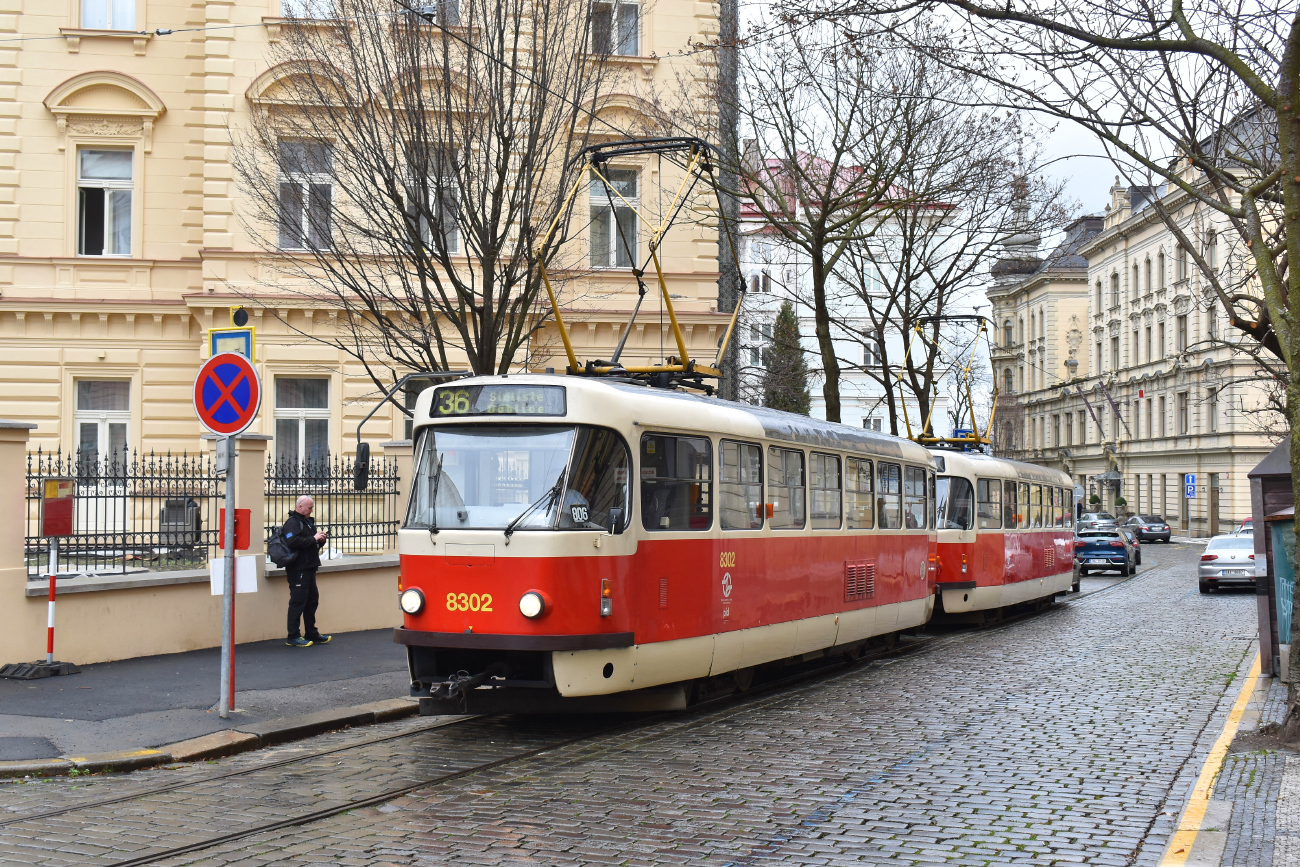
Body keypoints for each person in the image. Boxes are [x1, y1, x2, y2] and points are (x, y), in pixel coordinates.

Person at [283, 495, 330, 647]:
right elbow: (292, 541)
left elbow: (310, 544)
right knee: (298, 602)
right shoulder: (292, 523)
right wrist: (314, 538)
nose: (311, 510)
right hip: (298, 568)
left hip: (309, 567)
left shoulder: (307, 523)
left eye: (312, 507)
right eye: (309, 508)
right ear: (300, 507)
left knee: (312, 601)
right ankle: (293, 636)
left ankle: (311, 632)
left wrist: (320, 541)